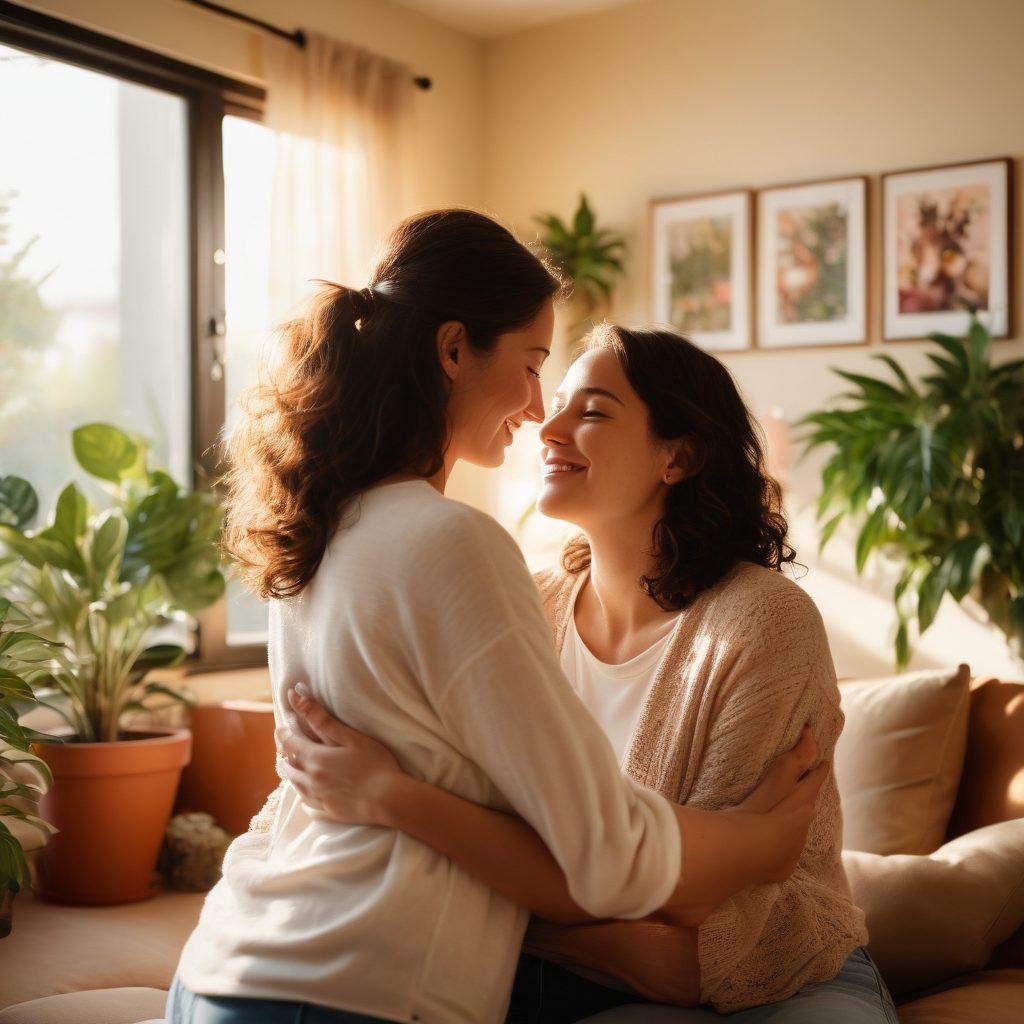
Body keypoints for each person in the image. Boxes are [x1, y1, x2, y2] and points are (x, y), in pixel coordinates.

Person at [167, 212, 824, 1024]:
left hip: (226, 968)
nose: (537, 409)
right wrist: (765, 842)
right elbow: (608, 854)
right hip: (347, 984)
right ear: (452, 350)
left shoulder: (323, 524)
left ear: (677, 457)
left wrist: (394, 798)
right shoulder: (455, 545)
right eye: (532, 364)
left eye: (582, 400)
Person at [280, 325, 899, 1023]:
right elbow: (664, 883)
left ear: (679, 456)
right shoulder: (522, 604)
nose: (547, 425)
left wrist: (511, 901)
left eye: (594, 410)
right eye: (558, 401)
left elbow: (698, 920)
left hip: (782, 979)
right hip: (572, 978)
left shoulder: (764, 623)